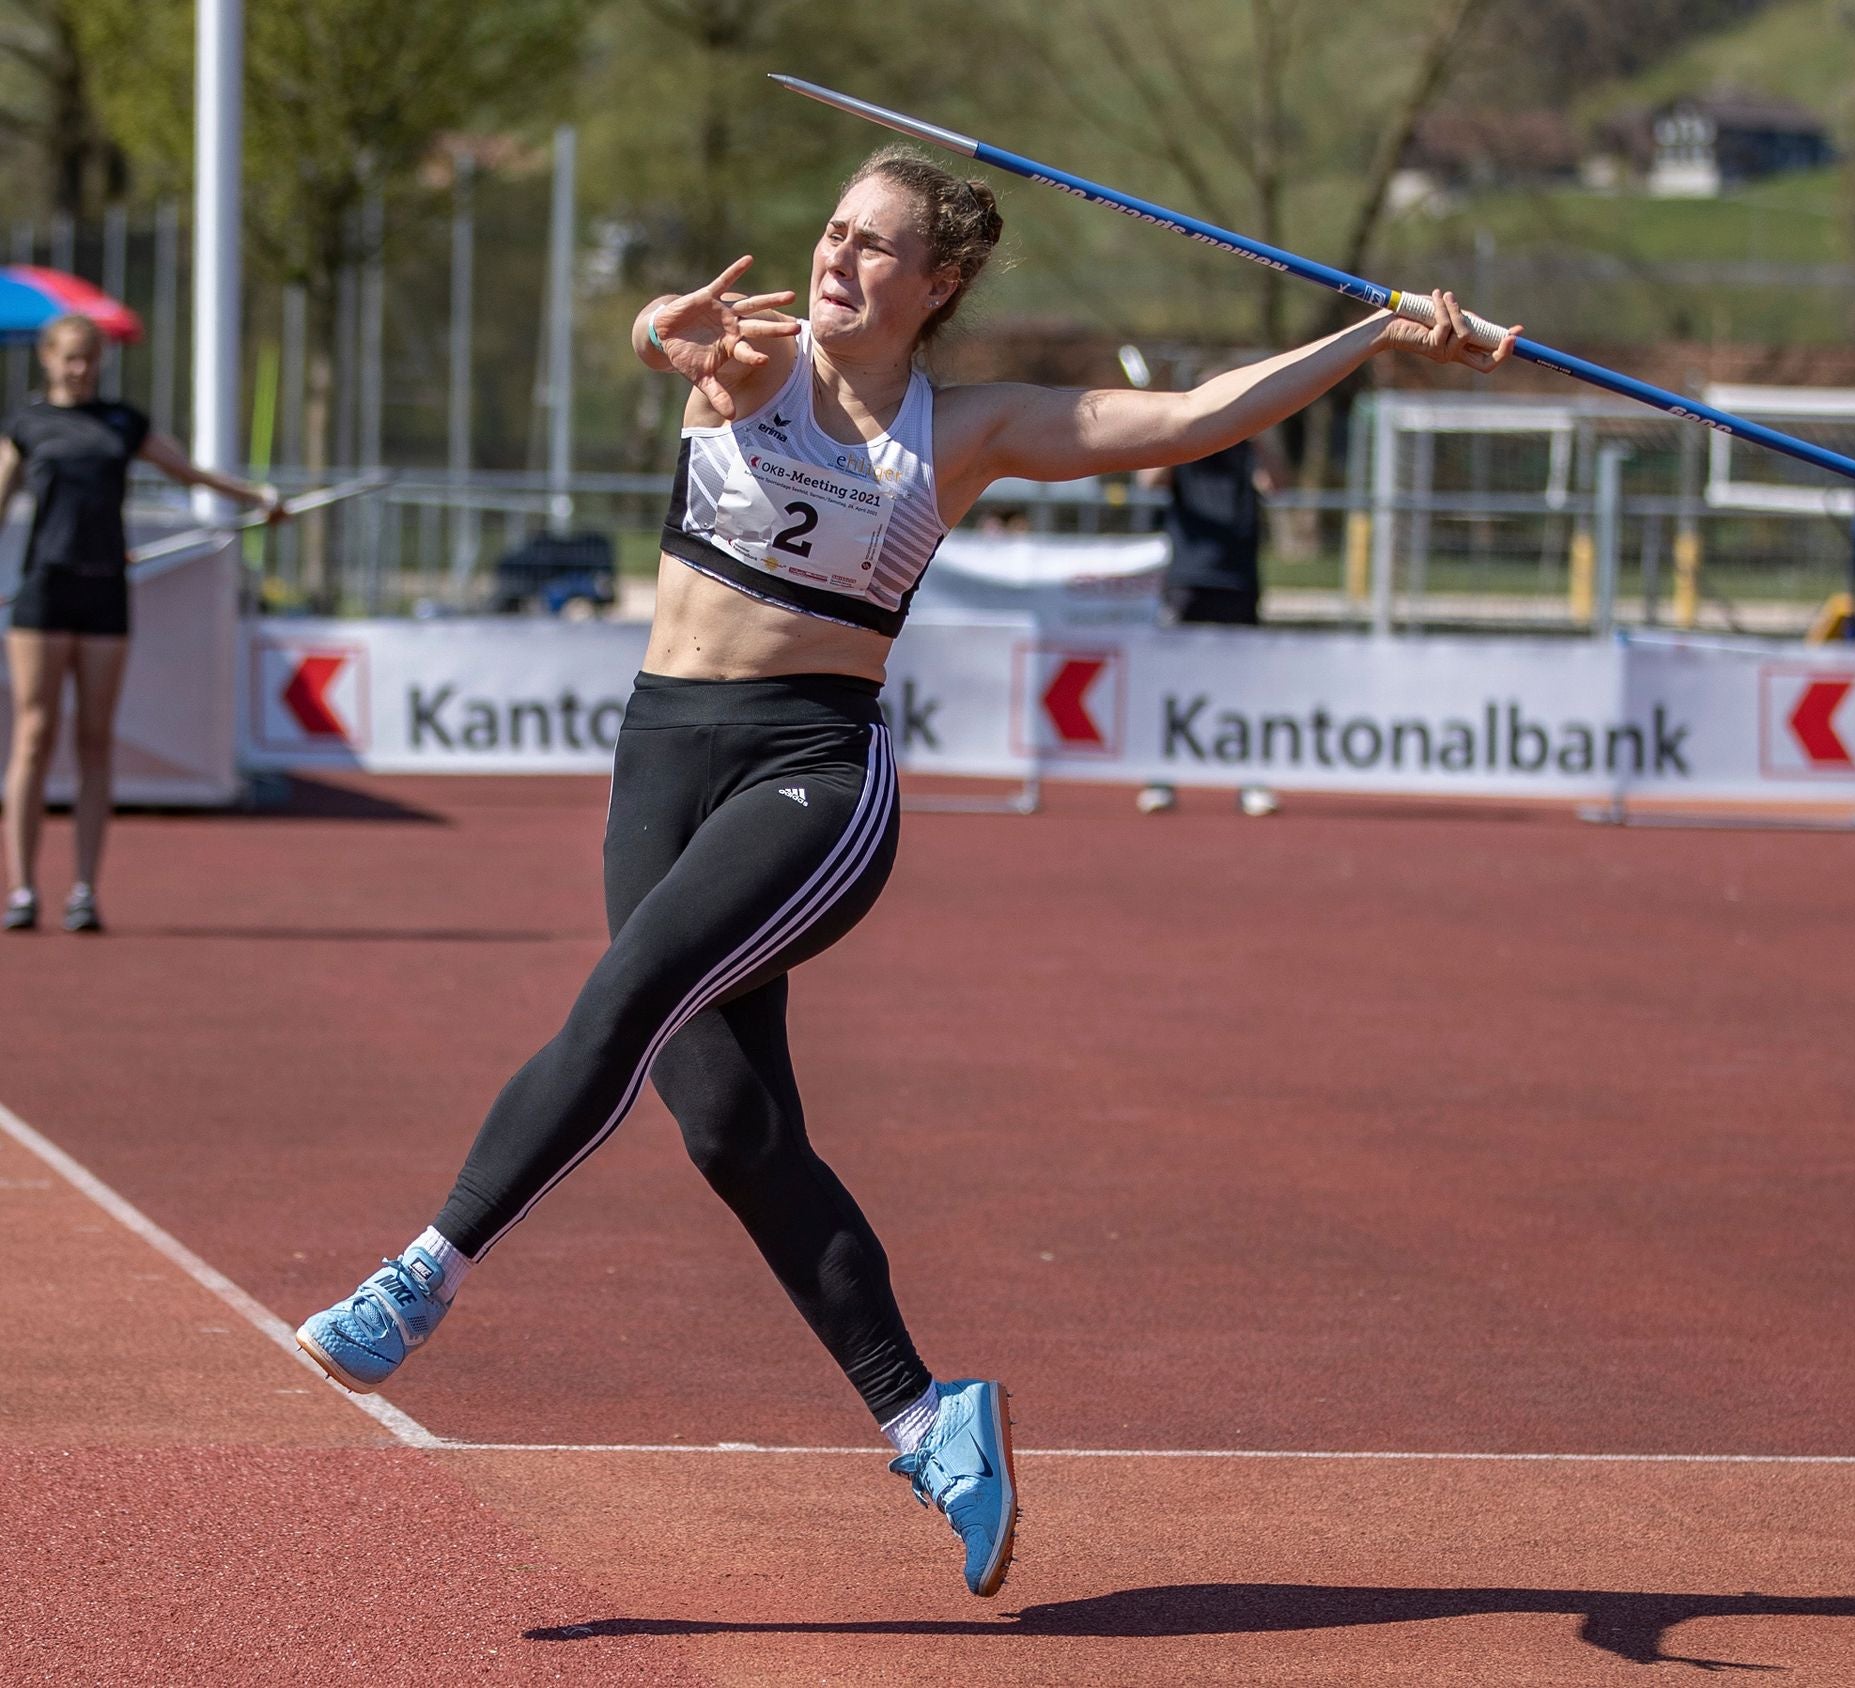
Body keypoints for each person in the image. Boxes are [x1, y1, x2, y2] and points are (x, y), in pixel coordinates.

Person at [291, 144, 1517, 1599]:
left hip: (811, 778)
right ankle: (934, 1421)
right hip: (661, 760)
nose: (837, 261)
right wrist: (652, 339)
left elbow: (1190, 419)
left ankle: (420, 1279)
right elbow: (683, 351)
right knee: (733, 1132)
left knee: (622, 997)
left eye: (876, 248)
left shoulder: (966, 429)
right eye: (832, 232)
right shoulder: (757, 362)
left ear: (937, 285)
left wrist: (1379, 330)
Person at [0, 313, 281, 933]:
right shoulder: (27, 425)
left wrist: (258, 499)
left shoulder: (123, 423)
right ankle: (21, 888)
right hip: (42, 594)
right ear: (48, 359)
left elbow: (190, 474)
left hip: (104, 597)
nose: (81, 369)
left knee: (95, 738)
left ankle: (84, 889)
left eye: (90, 358)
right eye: (70, 357)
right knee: (33, 735)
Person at [1134, 403, 1284, 816]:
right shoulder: (1183, 445)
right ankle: (1161, 778)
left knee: (1245, 686)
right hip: (1187, 577)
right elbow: (1149, 481)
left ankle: (1252, 782)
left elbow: (1278, 485)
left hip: (1238, 579)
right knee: (1174, 682)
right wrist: (1177, 433)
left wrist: (1258, 427)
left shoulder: (1246, 448)